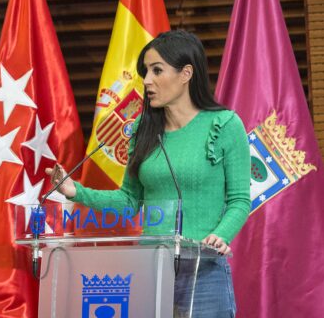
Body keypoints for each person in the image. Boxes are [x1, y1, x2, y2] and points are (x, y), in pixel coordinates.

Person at [47, 30, 250, 317]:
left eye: (157, 70)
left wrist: (220, 235)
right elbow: (130, 201)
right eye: (146, 72)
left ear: (186, 73)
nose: (146, 81)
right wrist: (75, 191)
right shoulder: (143, 129)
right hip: (153, 269)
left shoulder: (225, 125)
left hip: (204, 272)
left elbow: (240, 199)